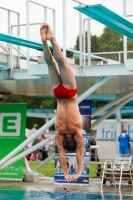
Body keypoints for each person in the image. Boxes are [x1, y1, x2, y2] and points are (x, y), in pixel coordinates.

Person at [40, 23, 84, 182]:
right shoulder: (60, 135)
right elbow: (64, 156)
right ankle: (44, 42)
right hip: (59, 95)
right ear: (66, 143)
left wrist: (77, 173)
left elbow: (79, 154)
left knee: (62, 63)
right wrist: (67, 174)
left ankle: (51, 39)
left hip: (70, 94)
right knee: (50, 64)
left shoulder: (77, 132)